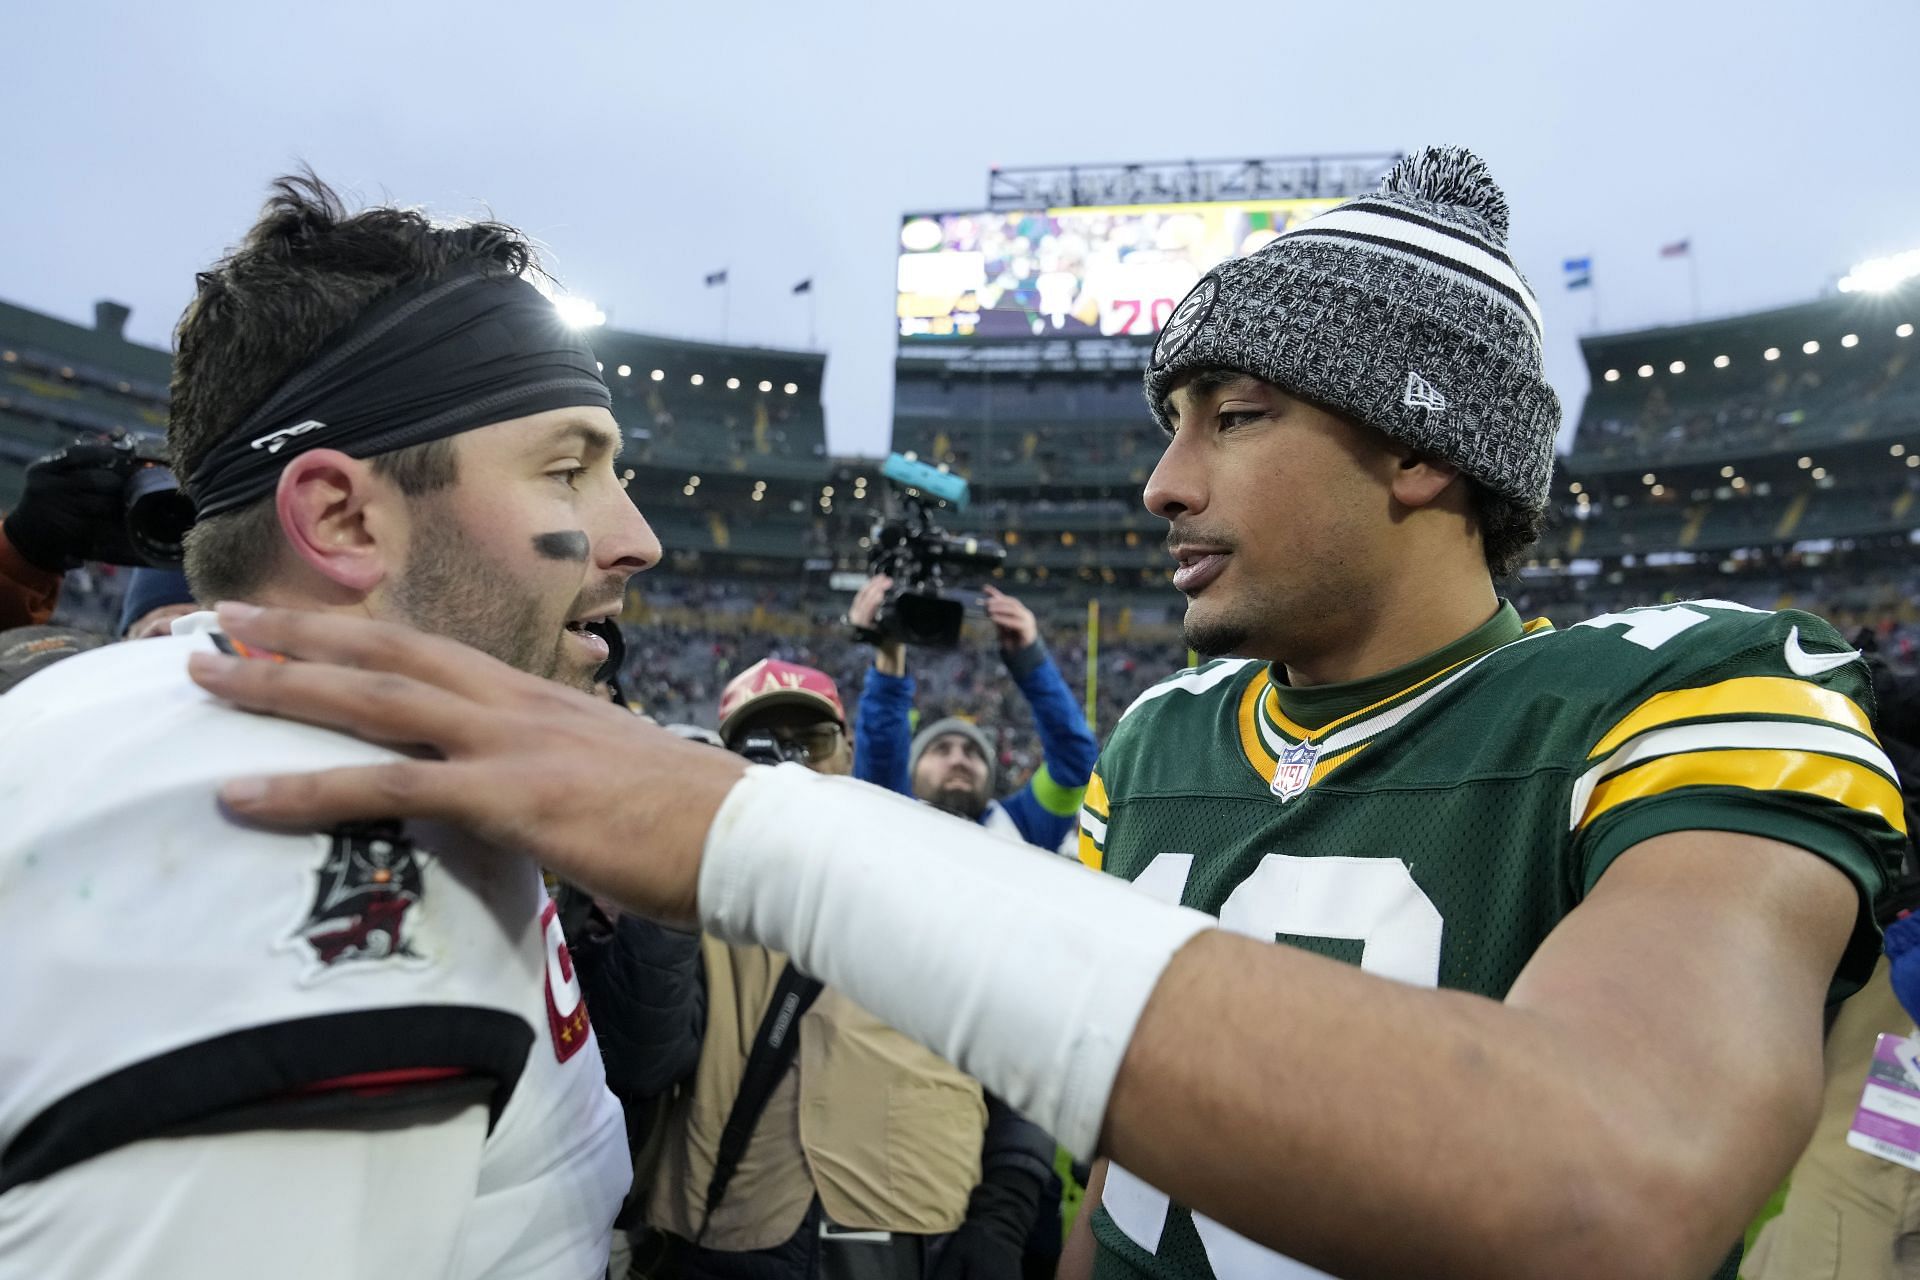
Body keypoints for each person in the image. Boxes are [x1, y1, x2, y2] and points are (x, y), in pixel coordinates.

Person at [185, 148, 1906, 1280]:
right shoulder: (1165, 743)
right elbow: (1119, 1185)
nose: (1162, 484)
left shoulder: (1707, 686)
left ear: (1423, 447)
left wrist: (741, 825)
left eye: (1229, 416)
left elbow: (1614, 1182)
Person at [0, 175, 657, 1277]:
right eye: (566, 468)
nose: (635, 535)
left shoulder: (191, 721)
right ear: (343, 516)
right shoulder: (320, 833)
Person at [635, 657, 1049, 1280]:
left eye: (810, 742)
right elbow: (644, 1060)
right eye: (761, 747)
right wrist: (664, 880)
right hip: (729, 1234)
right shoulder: (693, 895)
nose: (788, 762)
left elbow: (1024, 1074)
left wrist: (1001, 1221)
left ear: (847, 753)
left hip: (915, 1233)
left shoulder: (951, 882)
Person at [848, 576, 1097, 851]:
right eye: (941, 749)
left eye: (973, 752)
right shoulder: (890, 811)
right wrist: (889, 654)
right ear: (911, 770)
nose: (958, 760)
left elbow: (1074, 764)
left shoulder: (1024, 825)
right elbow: (881, 740)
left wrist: (1029, 659)